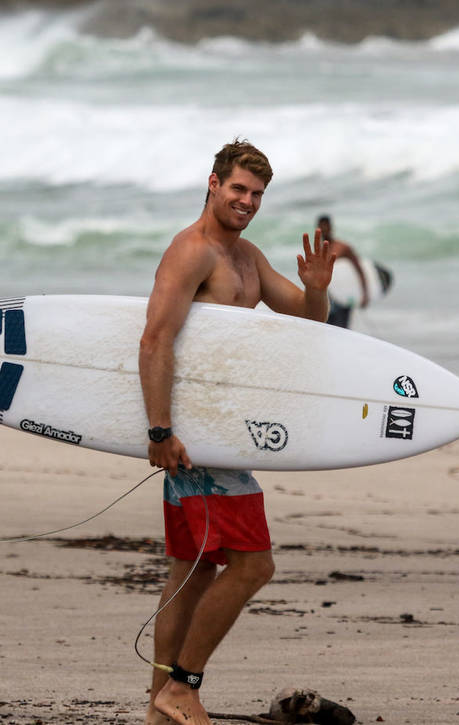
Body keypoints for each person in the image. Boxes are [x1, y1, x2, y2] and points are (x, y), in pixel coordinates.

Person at [138, 139, 336, 725]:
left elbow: (306, 319)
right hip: (196, 436)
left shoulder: (246, 256)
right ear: (213, 184)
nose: (247, 201)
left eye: (257, 194)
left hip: (218, 431)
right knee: (253, 566)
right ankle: (182, 689)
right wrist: (159, 429)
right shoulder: (191, 253)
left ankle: (158, 710)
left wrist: (319, 286)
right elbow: (155, 340)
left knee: (195, 568)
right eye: (238, 189)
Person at [316, 215, 369, 329]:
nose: (324, 230)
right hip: (326, 298)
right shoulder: (319, 251)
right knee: (326, 331)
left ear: (331, 228)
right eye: (321, 227)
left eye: (326, 227)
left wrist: (365, 294)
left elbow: (359, 270)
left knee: (341, 330)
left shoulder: (343, 247)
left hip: (343, 296)